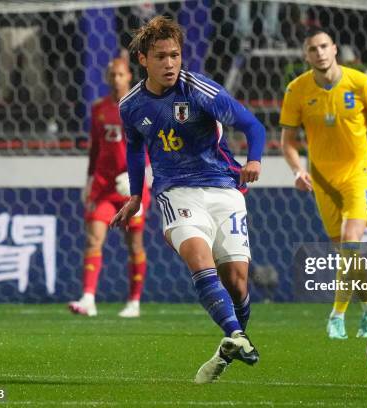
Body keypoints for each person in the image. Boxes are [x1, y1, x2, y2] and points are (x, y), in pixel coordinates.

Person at [110, 16, 265, 384]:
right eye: (161, 56)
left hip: (224, 188)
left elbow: (252, 125)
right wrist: (136, 195)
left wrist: (254, 159)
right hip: (175, 191)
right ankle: (237, 335)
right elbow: (134, 150)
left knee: (238, 281)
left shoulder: (200, 91)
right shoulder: (131, 106)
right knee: (200, 258)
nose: (169, 64)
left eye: (175, 55)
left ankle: (232, 341)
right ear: (143, 59)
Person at [280, 27, 367, 340]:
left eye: (324, 46)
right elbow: (288, 142)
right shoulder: (296, 90)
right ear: (305, 55)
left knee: (350, 241)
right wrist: (297, 170)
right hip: (322, 179)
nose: (320, 53)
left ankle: (337, 316)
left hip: (358, 172)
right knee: (347, 253)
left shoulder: (361, 83)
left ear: (335, 48)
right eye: (313, 49)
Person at [69, 58, 151, 318]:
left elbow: (153, 146)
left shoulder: (143, 106)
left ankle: (134, 302)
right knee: (93, 239)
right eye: (112, 75)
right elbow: (95, 148)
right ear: (107, 78)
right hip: (104, 187)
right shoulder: (99, 109)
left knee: (134, 244)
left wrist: (138, 175)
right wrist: (89, 180)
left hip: (133, 189)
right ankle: (88, 299)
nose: (116, 79)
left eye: (121, 74)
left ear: (129, 77)